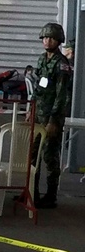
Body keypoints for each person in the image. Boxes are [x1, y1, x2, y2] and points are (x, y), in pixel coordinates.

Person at [32, 23, 73, 208]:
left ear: (58, 41)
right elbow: (39, 87)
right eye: (45, 38)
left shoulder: (61, 63)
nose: (47, 41)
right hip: (38, 115)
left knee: (50, 157)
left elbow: (62, 95)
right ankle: (31, 193)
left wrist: (54, 120)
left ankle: (50, 195)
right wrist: (31, 109)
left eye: (51, 38)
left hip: (51, 118)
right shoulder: (42, 59)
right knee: (33, 156)